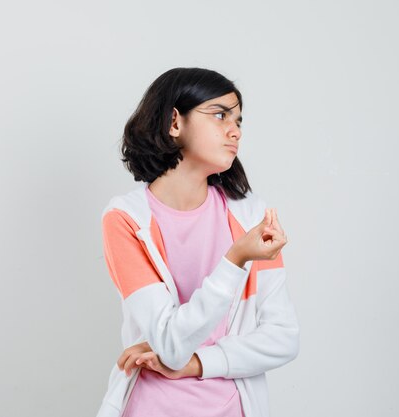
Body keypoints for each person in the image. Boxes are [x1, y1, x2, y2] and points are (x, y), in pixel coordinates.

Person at [96, 67, 300, 417]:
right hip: (152, 406)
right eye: (220, 115)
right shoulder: (125, 220)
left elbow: (283, 338)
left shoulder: (251, 217)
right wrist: (235, 259)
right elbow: (170, 344)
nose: (234, 130)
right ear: (175, 122)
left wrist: (198, 363)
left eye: (238, 120)